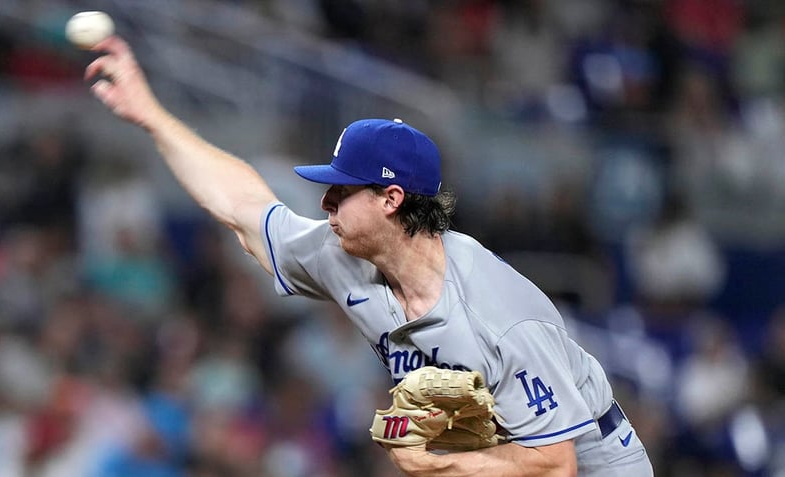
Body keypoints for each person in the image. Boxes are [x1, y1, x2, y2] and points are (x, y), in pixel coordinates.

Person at [83, 35, 654, 477]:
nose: (324, 199)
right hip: (498, 442)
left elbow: (558, 467)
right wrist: (152, 116)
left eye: (342, 189)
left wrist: (437, 461)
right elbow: (243, 206)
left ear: (391, 199)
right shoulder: (342, 255)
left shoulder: (499, 315)